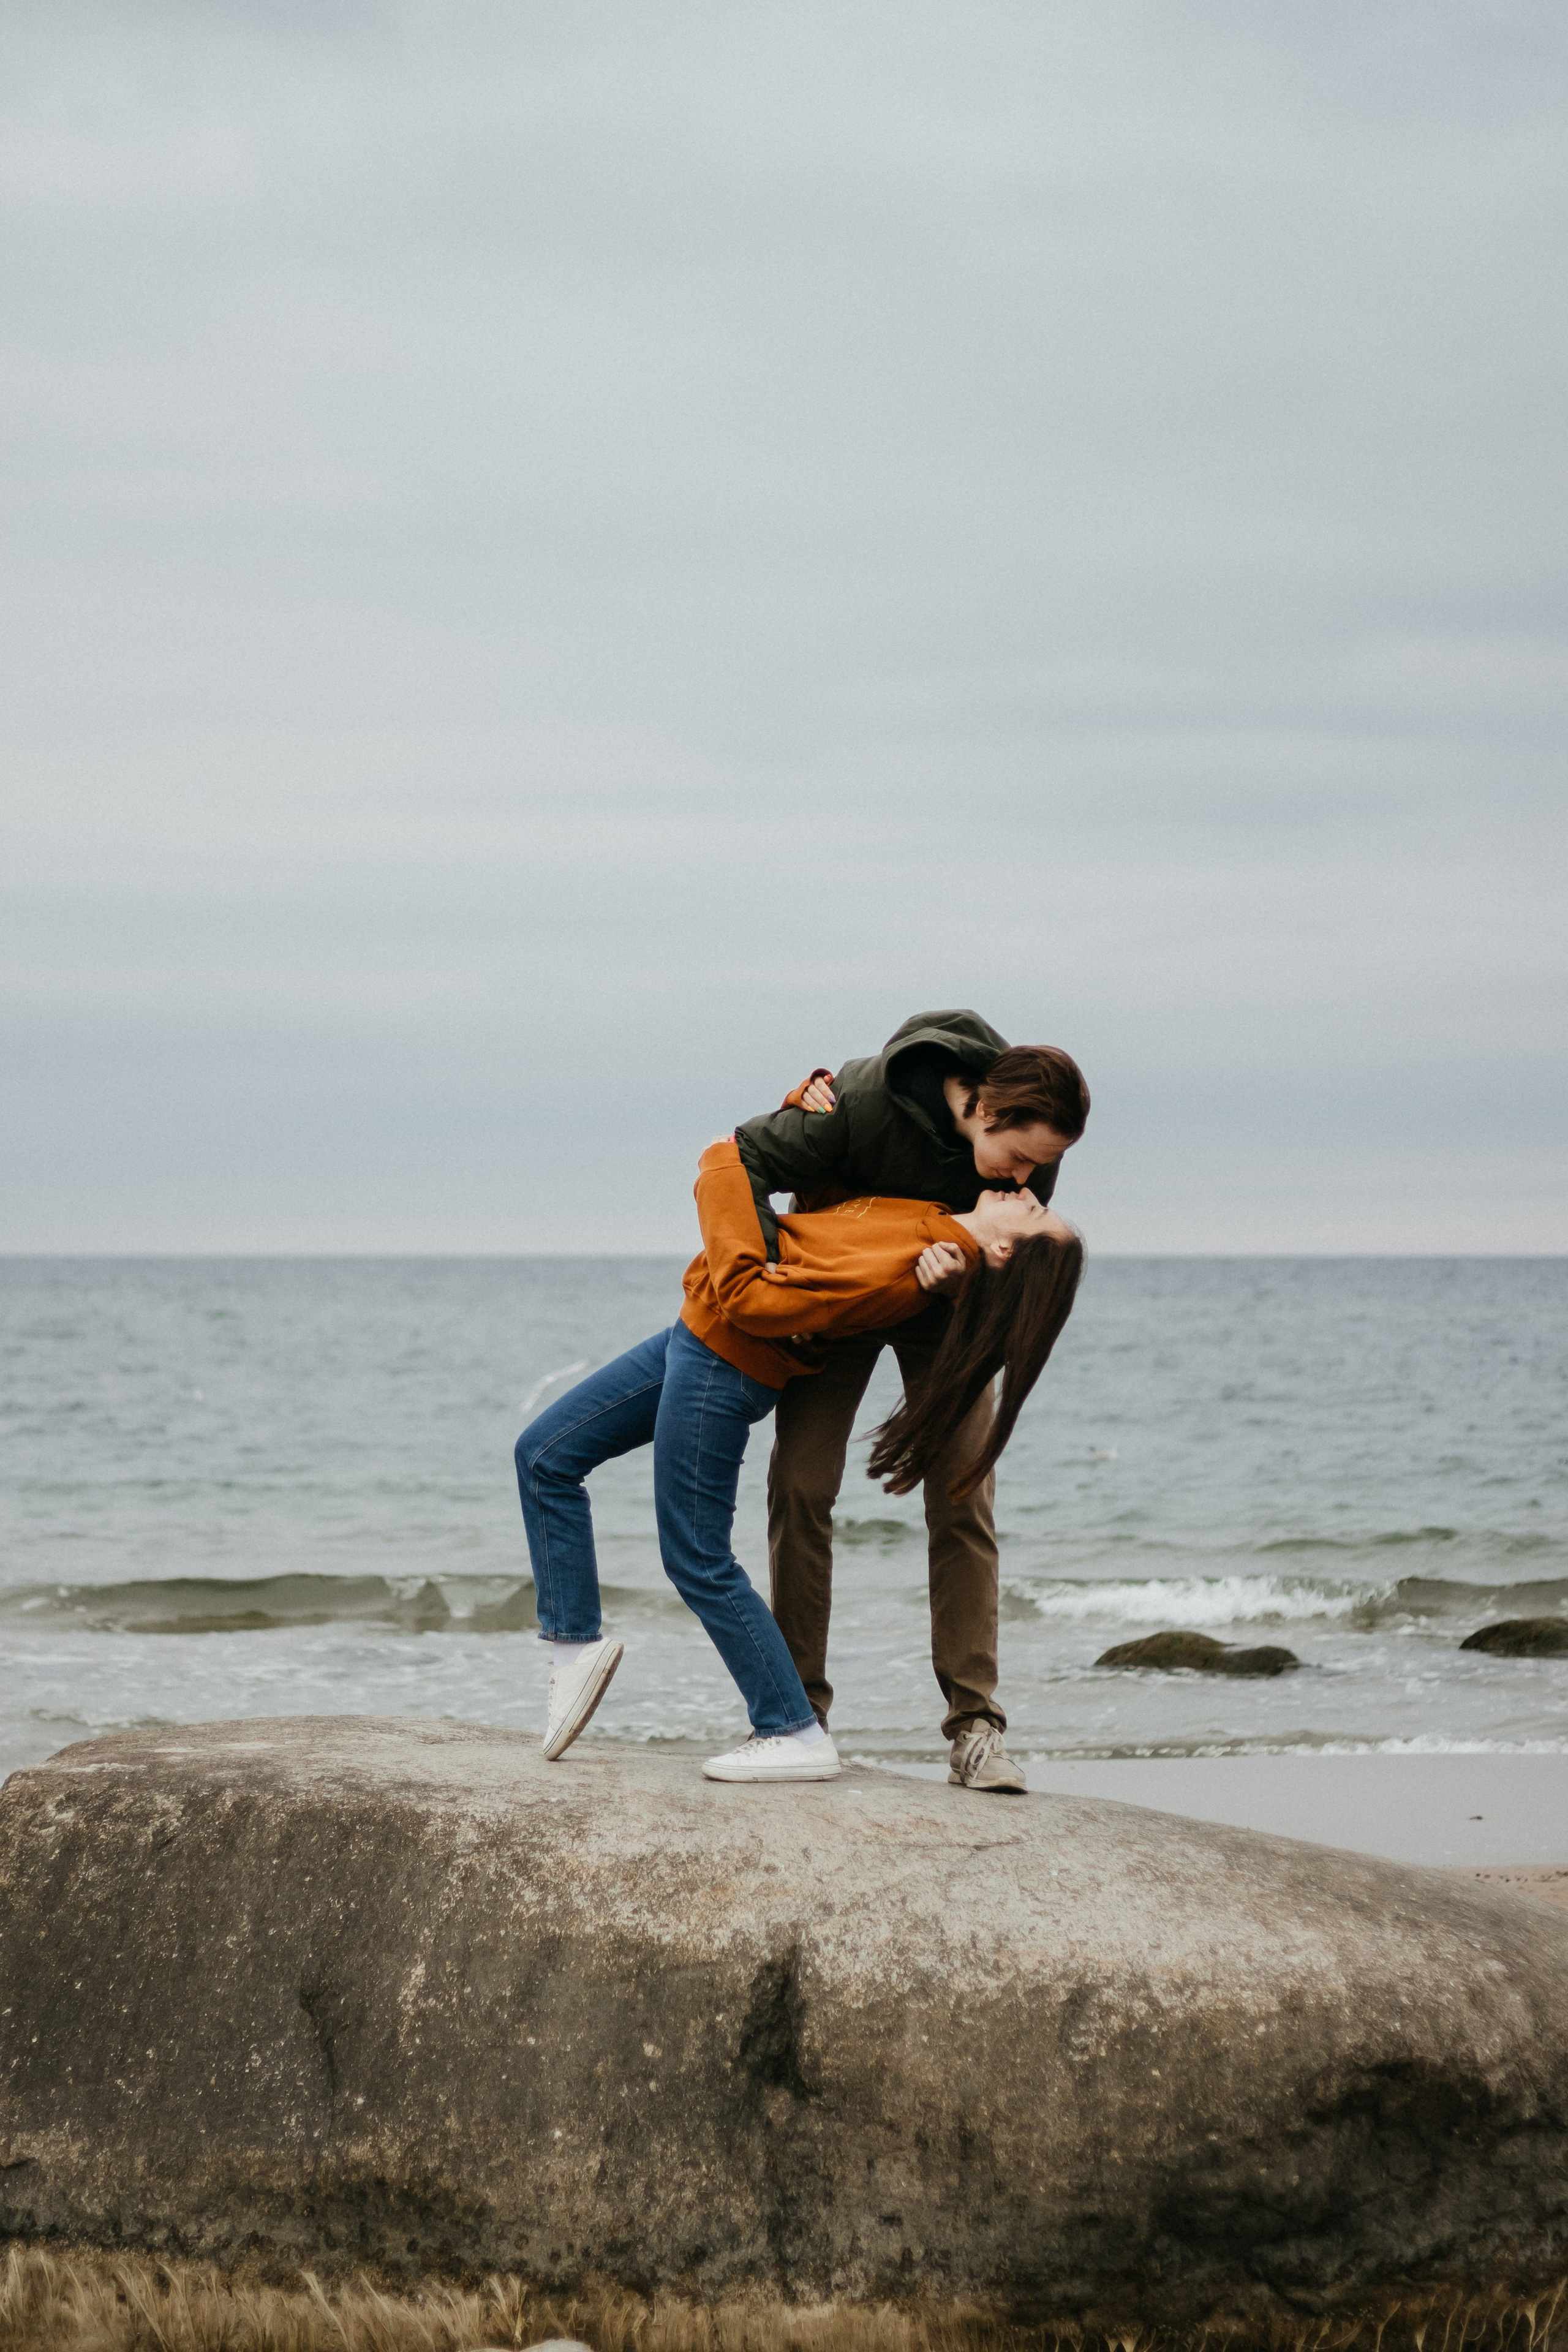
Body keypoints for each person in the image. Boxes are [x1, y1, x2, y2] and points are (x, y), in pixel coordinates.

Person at [514, 1134, 1083, 1785]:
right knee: (544, 1456)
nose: (1031, 1193)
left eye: (1038, 1212)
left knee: (696, 1556)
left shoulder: (909, 1263)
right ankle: (572, 1645)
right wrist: (807, 1101)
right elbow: (821, 1182)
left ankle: (792, 1725)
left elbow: (756, 1301)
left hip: (722, 1360)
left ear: (1004, 1250)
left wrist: (723, 1164)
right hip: (691, 1331)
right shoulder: (925, 1211)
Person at [734, 1009, 1089, 1793]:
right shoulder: (859, 1102)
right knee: (800, 1486)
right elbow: (746, 1157)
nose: (1025, 1180)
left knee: (964, 1496)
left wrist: (969, 1280)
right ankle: (798, 1719)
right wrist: (774, 1280)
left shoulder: (1032, 1158)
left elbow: (1019, 1271)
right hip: (845, 1302)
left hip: (949, 1320)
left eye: (1041, 1169)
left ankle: (975, 1727)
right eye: (1020, 1157)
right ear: (986, 1112)